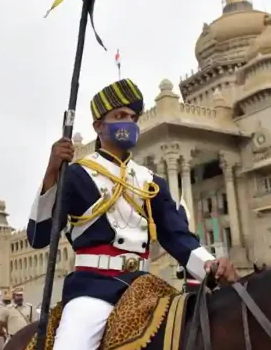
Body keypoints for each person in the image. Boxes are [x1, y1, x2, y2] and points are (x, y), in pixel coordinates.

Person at [27, 78, 239, 350]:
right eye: (119, 116)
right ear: (99, 126)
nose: (128, 122)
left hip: (144, 286)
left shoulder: (151, 181)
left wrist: (210, 266)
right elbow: (39, 236)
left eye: (132, 117)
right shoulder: (77, 174)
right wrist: (52, 173)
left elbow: (177, 237)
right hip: (93, 289)